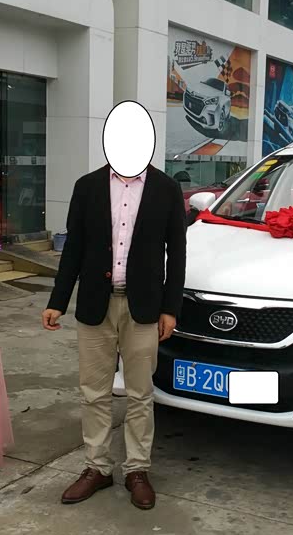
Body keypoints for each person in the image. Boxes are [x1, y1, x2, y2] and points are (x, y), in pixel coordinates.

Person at [42, 102, 187, 511]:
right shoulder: (87, 186)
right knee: (94, 392)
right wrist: (58, 301)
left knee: (140, 393)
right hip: (95, 305)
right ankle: (98, 467)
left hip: (144, 308)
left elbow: (177, 254)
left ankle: (137, 469)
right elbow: (73, 248)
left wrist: (170, 308)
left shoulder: (166, 189)